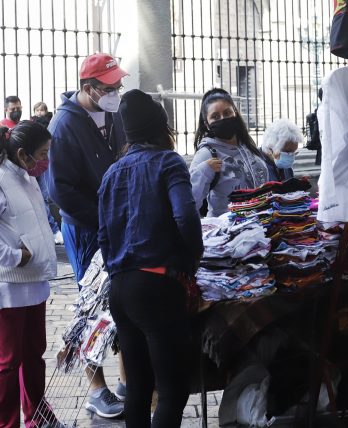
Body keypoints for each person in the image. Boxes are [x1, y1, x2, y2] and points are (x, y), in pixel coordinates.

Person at [98, 89, 203, 427]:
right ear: (162, 127)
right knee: (172, 389)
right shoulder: (167, 162)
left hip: (121, 289)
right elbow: (186, 217)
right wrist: (192, 258)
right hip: (157, 286)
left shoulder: (112, 173)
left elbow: (103, 235)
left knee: (139, 386)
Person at [41, 51, 127, 418]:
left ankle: (128, 378)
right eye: (110, 87)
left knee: (122, 303)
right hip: (86, 227)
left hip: (117, 221)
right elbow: (60, 191)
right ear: (89, 88)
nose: (117, 91)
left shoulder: (114, 113)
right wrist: (101, 220)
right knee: (92, 305)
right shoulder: (64, 125)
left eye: (118, 85)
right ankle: (96, 388)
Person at [0, 121, 60, 428]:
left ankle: (37, 416)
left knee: (33, 355)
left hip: (34, 282)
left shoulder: (27, 179)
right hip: (5, 284)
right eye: (41, 154)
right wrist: (12, 257)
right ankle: (4, 423)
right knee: (7, 361)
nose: (45, 161)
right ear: (22, 153)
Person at [190, 88, 269, 217]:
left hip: (261, 225)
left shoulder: (248, 145)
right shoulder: (207, 153)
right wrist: (204, 171)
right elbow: (189, 200)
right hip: (229, 230)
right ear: (207, 124)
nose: (223, 119)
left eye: (227, 113)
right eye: (215, 116)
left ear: (235, 113)